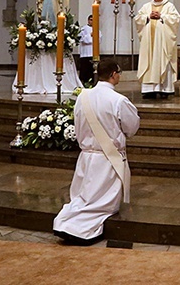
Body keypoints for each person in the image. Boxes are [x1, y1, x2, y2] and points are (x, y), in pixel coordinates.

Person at [53, 59, 140, 245]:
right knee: (101, 205)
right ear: (113, 75)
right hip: (108, 160)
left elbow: (77, 127)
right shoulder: (118, 100)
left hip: (86, 157)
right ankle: (80, 229)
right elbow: (132, 127)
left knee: (83, 197)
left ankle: (66, 222)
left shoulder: (82, 97)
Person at [134, 0, 180, 98]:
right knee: (149, 63)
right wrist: (148, 17)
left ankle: (165, 89)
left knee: (162, 61)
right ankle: (148, 90)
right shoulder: (146, 6)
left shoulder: (169, 6)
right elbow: (137, 19)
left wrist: (162, 16)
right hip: (148, 44)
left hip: (163, 44)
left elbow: (175, 19)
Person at [78, 15, 101, 85]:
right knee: (85, 69)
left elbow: (99, 40)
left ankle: (93, 81)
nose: (92, 21)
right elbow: (82, 39)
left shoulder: (97, 30)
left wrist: (93, 38)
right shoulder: (83, 29)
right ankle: (84, 81)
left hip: (93, 52)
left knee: (92, 69)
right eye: (91, 20)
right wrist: (90, 36)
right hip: (85, 53)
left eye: (94, 20)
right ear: (88, 20)